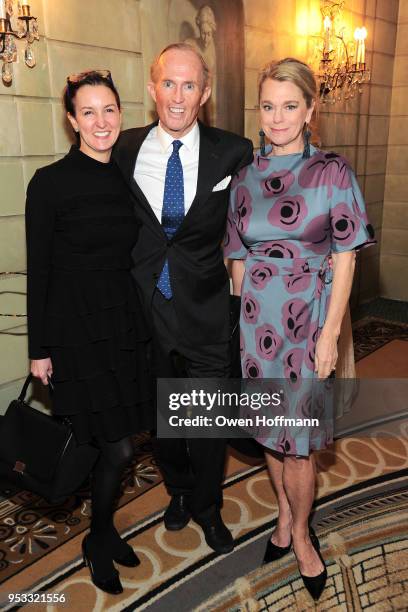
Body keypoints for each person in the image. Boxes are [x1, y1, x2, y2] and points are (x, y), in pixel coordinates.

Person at [224, 57, 375, 600]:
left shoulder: (332, 172)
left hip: (309, 323)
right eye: (268, 106)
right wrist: (239, 321)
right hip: (257, 324)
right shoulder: (245, 178)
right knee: (270, 430)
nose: (278, 117)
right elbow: (237, 257)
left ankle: (304, 535)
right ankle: (284, 514)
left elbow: (346, 258)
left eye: (290, 106)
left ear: (310, 109)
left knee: (301, 445)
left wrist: (330, 334)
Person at [113, 43, 253, 554]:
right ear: (152, 89)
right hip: (147, 310)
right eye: (168, 84)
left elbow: (259, 216)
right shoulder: (124, 149)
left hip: (207, 309)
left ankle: (209, 507)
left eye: (189, 85)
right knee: (165, 422)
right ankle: (177, 491)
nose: (177, 96)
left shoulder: (233, 151)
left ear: (205, 92)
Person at [26, 70, 152, 595]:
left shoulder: (126, 175)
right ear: (73, 120)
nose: (101, 122)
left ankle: (102, 530)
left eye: (110, 110)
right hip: (77, 335)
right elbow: (41, 271)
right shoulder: (50, 183)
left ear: (120, 114)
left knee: (119, 445)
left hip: (121, 326)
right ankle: (97, 540)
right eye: (89, 112)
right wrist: (40, 351)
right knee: (117, 449)